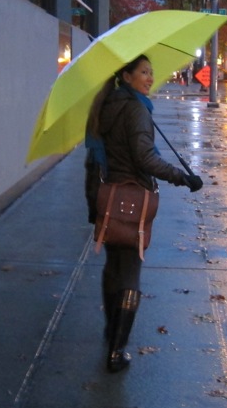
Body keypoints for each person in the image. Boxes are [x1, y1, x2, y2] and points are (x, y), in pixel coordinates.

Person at [85, 54, 203, 373]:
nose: (150, 78)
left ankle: (111, 330)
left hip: (107, 197)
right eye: (144, 72)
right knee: (130, 274)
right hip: (132, 199)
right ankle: (117, 351)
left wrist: (93, 204)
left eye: (151, 72)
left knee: (114, 266)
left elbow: (93, 160)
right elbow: (145, 158)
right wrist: (183, 177)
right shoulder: (135, 109)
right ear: (126, 76)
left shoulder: (104, 105)